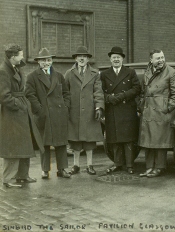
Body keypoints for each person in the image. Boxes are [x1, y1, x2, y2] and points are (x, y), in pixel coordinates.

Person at [0, 44, 44, 188]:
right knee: (13, 145)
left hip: (21, 112)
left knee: (25, 143)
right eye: (20, 55)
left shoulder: (15, 67)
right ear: (13, 57)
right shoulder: (4, 71)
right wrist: (18, 105)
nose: (23, 57)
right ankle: (8, 179)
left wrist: (23, 106)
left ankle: (22, 175)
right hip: (13, 114)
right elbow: (4, 96)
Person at [25, 48, 71, 179]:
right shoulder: (32, 77)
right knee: (44, 143)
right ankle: (45, 170)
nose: (46, 62)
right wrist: (39, 109)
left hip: (59, 114)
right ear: (38, 62)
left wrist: (65, 107)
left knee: (61, 142)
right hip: (43, 114)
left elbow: (66, 93)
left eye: (49, 60)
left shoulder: (59, 75)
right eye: (43, 60)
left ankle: (62, 169)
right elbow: (29, 94)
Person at [138, 49, 175, 178]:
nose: (161, 60)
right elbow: (142, 92)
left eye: (162, 57)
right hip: (148, 112)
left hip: (161, 112)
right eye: (158, 58)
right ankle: (149, 167)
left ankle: (159, 167)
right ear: (151, 60)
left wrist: (166, 108)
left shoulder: (172, 73)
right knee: (148, 141)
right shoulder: (147, 72)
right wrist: (141, 106)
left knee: (159, 141)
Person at [100, 46, 141, 174]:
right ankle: (117, 163)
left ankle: (129, 165)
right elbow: (99, 92)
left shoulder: (130, 72)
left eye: (118, 57)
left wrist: (123, 95)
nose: (116, 60)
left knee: (128, 138)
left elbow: (137, 89)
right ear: (110, 60)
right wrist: (109, 98)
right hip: (112, 109)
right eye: (113, 58)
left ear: (122, 59)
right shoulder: (104, 74)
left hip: (127, 109)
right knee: (114, 138)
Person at [64, 46, 104, 175]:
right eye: (79, 56)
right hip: (74, 112)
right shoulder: (69, 73)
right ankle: (75, 165)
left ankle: (89, 165)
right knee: (75, 140)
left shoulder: (95, 74)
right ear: (75, 58)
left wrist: (98, 107)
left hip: (89, 112)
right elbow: (65, 93)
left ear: (88, 59)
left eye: (85, 56)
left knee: (89, 141)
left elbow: (98, 92)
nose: (82, 58)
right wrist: (66, 108)